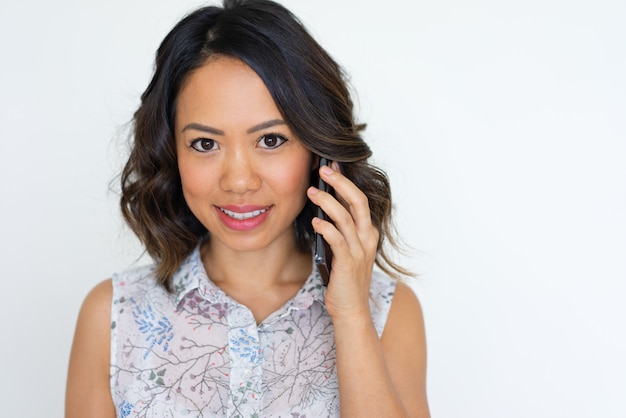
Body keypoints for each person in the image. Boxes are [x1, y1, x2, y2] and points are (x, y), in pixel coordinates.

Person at [65, 0, 429, 416]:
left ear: (318, 152)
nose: (239, 181)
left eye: (271, 140)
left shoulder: (387, 310)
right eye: (205, 144)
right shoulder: (113, 316)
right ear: (172, 153)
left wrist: (350, 317)